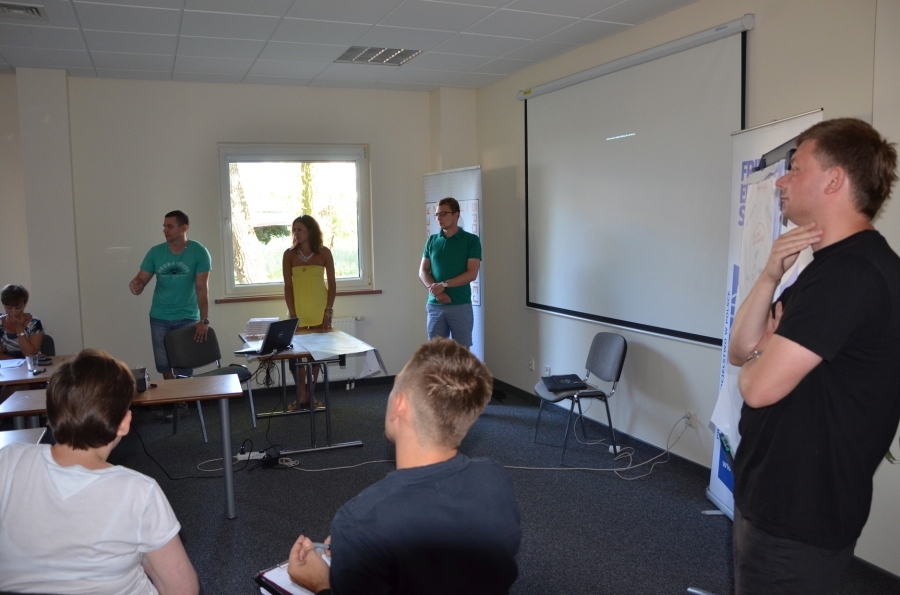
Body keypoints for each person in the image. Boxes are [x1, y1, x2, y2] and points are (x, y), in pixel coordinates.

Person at [727, 118, 900, 595]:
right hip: (787, 501)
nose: (780, 181)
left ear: (834, 180)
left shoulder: (850, 274)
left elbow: (756, 387)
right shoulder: (832, 267)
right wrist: (769, 274)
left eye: (796, 168)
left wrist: (762, 352)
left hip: (795, 515)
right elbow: (740, 351)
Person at [287, 338, 521, 595]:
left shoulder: (359, 519)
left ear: (399, 406)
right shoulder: (496, 478)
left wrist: (322, 583)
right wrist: (358, 547)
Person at [0, 348, 199, 595]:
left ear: (50, 415)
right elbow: (184, 589)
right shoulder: (140, 492)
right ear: (125, 423)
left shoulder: (8, 460)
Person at [129, 210, 211, 380]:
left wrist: (204, 320)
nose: (165, 230)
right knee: (164, 365)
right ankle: (172, 396)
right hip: (159, 317)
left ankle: (183, 398)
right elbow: (141, 279)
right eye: (164, 226)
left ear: (183, 228)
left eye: (170, 226)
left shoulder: (199, 252)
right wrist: (137, 284)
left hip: (187, 317)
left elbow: (202, 287)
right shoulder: (155, 252)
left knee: (184, 365)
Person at [282, 214, 336, 410]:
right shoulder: (289, 255)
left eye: (300, 229)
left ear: (310, 231)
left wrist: (328, 312)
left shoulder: (324, 253)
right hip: (298, 311)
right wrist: (292, 313)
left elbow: (332, 285)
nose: (295, 233)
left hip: (319, 310)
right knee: (297, 357)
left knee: (315, 356)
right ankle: (301, 395)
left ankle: (311, 394)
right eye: (294, 230)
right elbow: (288, 287)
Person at [419, 197, 482, 348]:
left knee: (461, 353)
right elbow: (423, 271)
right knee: (436, 353)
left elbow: (472, 273)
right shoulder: (432, 240)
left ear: (456, 215)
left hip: (460, 304)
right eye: (437, 214)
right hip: (435, 305)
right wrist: (437, 292)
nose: (439, 218)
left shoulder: (471, 240)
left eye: (443, 214)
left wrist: (444, 285)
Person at [0, 283, 43, 360]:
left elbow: (30, 354)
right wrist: (21, 361)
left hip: (31, 365)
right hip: (8, 366)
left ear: (24, 305)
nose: (13, 312)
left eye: (18, 308)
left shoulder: (34, 323)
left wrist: (18, 327)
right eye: (9, 308)